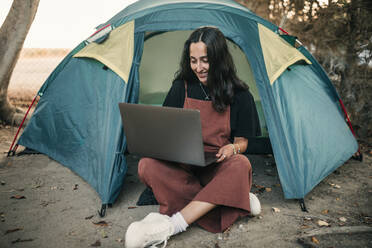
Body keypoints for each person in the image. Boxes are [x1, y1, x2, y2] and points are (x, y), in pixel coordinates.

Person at [125, 27, 262, 248]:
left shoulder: (241, 95)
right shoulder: (181, 88)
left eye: (205, 60)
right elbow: (166, 129)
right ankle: (234, 200)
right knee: (146, 166)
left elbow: (242, 143)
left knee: (240, 165)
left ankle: (173, 225)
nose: (199, 67)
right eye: (193, 60)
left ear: (219, 58)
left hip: (216, 166)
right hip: (183, 165)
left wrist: (232, 149)